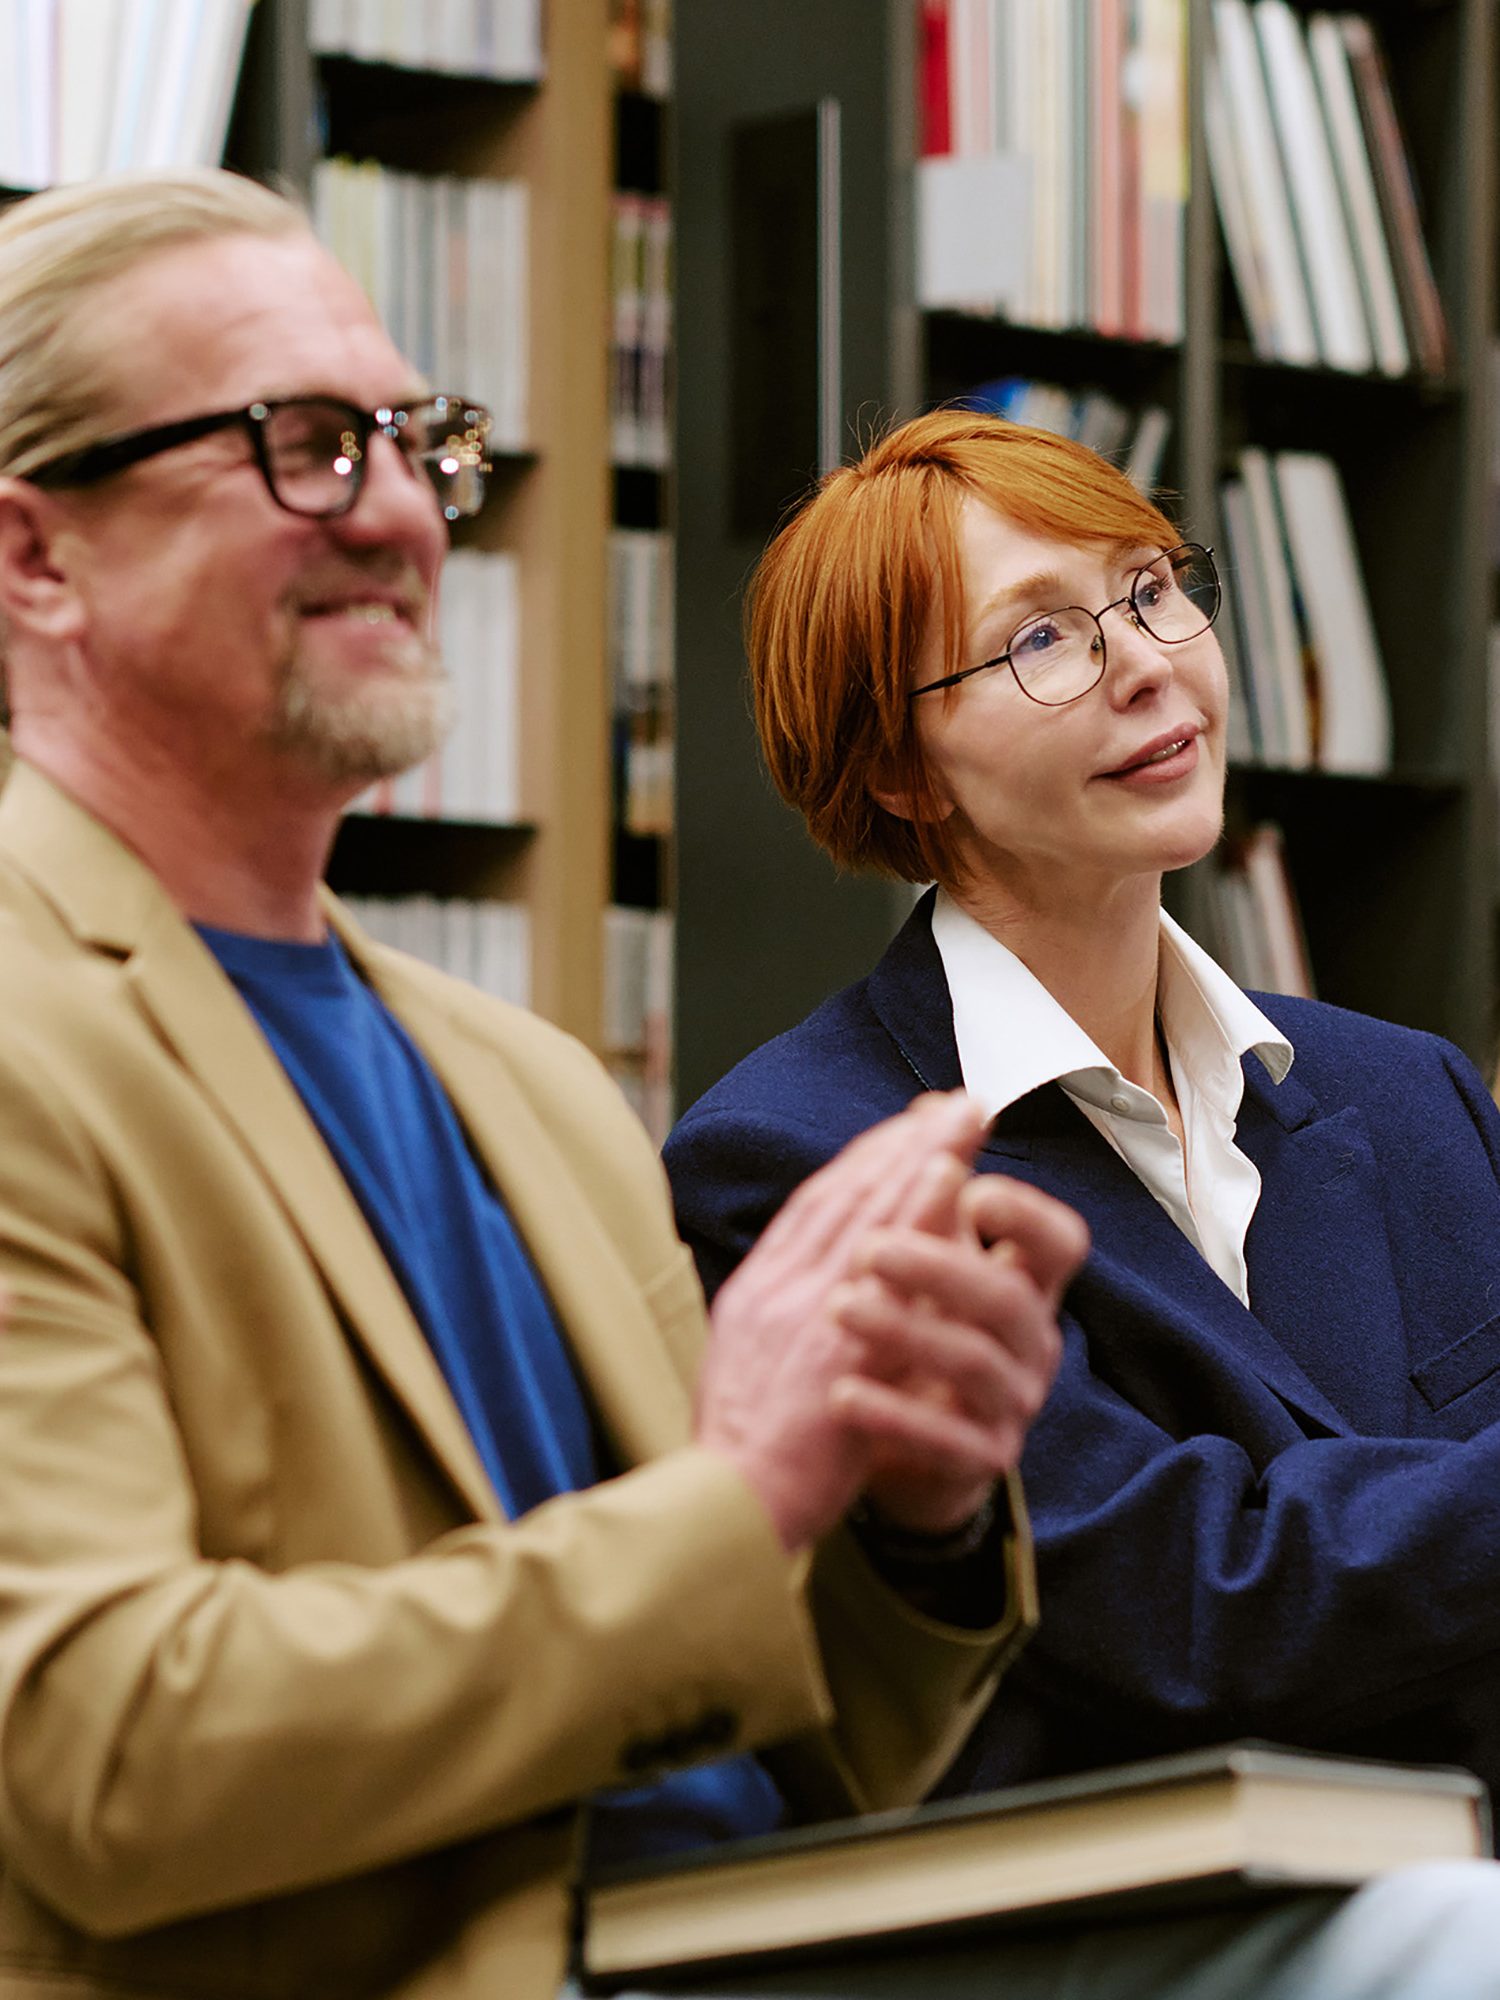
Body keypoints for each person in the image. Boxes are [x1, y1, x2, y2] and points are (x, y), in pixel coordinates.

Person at [0, 174, 1088, 2000]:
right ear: (38, 560)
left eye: (421, 444)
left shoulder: (533, 1086)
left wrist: (908, 1512)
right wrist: (740, 1496)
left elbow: (809, 1755)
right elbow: (111, 1760)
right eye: (311, 448)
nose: (411, 515)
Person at [663, 408, 1500, 1992]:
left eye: (1152, 591)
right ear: (899, 767)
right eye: (1039, 638)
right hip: (1132, 1931)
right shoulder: (803, 1162)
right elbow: (1197, 1607)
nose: (1143, 665)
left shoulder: (1407, 1090)